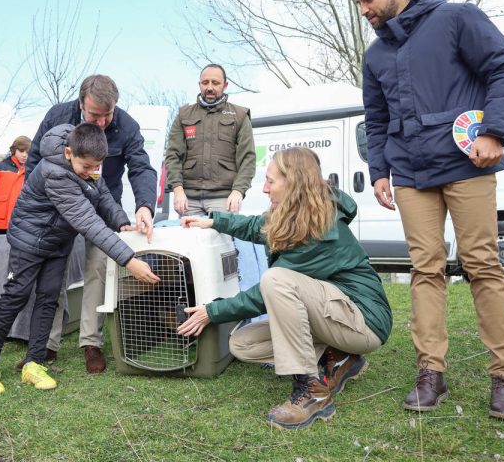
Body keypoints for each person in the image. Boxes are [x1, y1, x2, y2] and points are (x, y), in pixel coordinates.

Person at [350, 0, 504, 420]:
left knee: (482, 263)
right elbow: (377, 118)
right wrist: (380, 171)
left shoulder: (456, 18)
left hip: (466, 161)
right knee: (424, 269)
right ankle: (431, 372)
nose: (364, 9)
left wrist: (494, 131)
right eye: (359, 3)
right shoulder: (376, 55)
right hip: (410, 171)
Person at [178, 147, 391, 429]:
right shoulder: (295, 213)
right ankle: (339, 356)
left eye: (270, 181)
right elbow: (257, 226)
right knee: (243, 344)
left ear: (293, 183)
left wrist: (211, 311)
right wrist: (215, 221)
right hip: (332, 316)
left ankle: (312, 392)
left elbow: (263, 296)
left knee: (275, 279)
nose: (264, 188)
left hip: (362, 323)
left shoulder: (321, 229)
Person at [0, 123, 160, 395]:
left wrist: (122, 222)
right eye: (86, 166)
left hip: (58, 242)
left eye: (97, 167)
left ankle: (34, 363)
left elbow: (103, 195)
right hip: (29, 241)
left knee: (49, 299)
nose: (92, 172)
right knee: (16, 296)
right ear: (69, 153)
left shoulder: (87, 165)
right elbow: (87, 220)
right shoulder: (54, 173)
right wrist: (128, 260)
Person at [25, 74, 157, 374]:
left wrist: (144, 205)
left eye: (107, 116)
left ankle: (91, 342)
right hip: (58, 204)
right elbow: (34, 160)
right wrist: (35, 203)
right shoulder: (58, 116)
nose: (101, 123)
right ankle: (47, 342)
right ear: (81, 102)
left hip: (102, 205)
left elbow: (141, 167)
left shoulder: (128, 126)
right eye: (95, 115)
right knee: (53, 270)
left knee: (98, 267)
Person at [164, 64, 256, 216]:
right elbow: (173, 156)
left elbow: (248, 158)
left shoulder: (239, 115)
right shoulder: (184, 115)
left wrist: (238, 191)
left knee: (220, 240)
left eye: (215, 83)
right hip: (188, 200)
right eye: (205, 82)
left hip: (223, 199)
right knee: (190, 240)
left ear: (225, 85)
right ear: (199, 84)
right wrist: (178, 190)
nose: (210, 87)